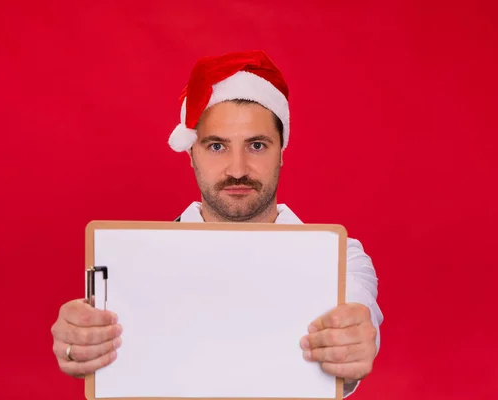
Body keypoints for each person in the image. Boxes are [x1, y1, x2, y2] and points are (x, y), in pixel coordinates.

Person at [50, 50, 383, 397]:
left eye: (256, 145)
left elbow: (358, 313)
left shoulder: (340, 257)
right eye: (217, 146)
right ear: (191, 153)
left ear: (282, 150)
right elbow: (99, 345)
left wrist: (356, 338)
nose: (237, 169)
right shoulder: (132, 260)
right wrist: (79, 341)